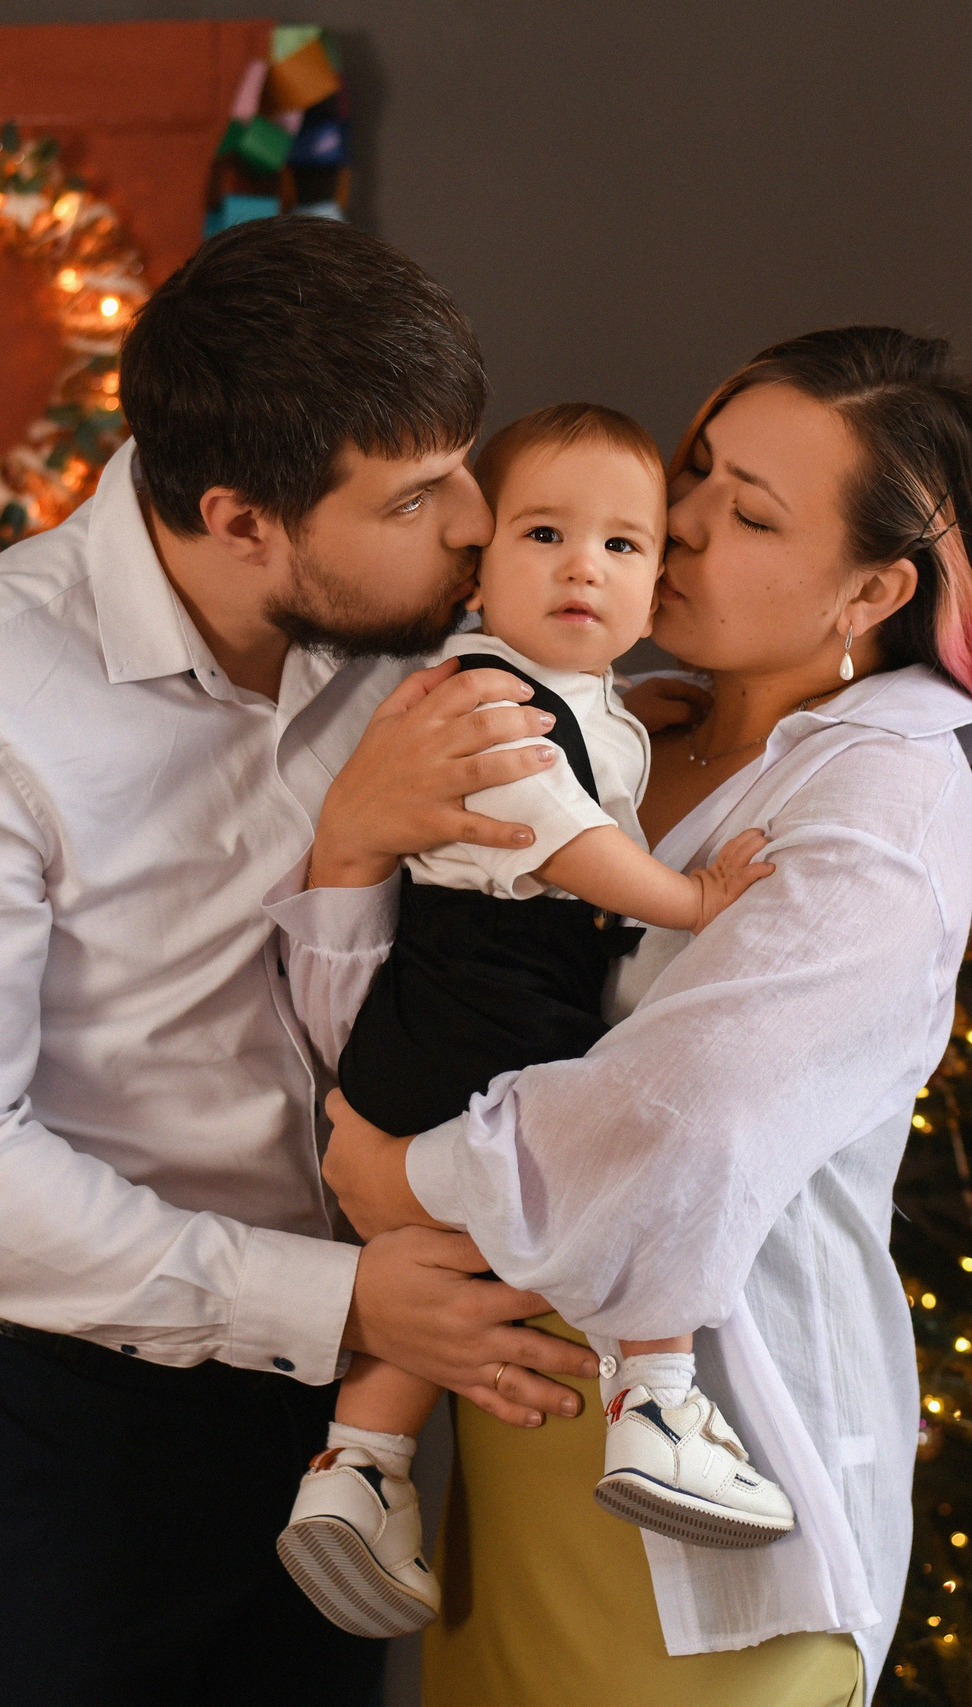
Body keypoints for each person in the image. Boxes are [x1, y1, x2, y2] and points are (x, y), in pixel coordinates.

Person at [0, 215, 605, 1706]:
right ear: (242, 521)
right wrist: (342, 1301)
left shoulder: (423, 626)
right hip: (49, 1405)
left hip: (337, 1403)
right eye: (414, 495)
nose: (474, 521)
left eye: (464, 464)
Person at [270, 326, 972, 1706]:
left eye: (749, 513)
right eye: (694, 470)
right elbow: (410, 1021)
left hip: (717, 1519)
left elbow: (685, 1118)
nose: (675, 521)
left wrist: (402, 1180)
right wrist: (350, 844)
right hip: (510, 1454)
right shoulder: (603, 726)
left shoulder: (883, 804)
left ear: (873, 588)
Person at [276, 403, 793, 1643]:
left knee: (454, 1260)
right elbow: (563, 842)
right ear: (479, 564)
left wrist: (635, 712)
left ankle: (359, 1470)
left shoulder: (568, 698)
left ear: (655, 584)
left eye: (622, 546)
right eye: (545, 534)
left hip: (444, 1026)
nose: (582, 569)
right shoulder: (483, 701)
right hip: (484, 1013)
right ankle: (656, 1398)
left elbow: (587, 756)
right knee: (628, 1148)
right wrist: (690, 897)